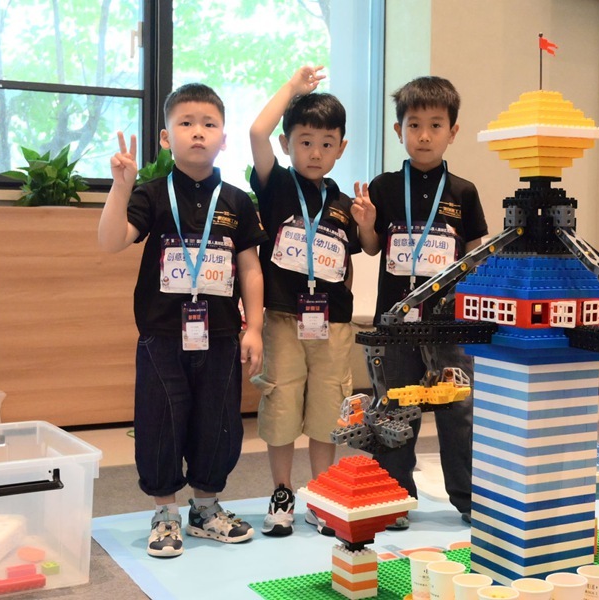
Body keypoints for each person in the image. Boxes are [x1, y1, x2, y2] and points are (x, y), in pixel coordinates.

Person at [98, 83, 266, 557]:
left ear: (223, 139)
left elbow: (250, 269)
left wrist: (254, 328)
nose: (198, 132)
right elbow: (110, 241)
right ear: (166, 137)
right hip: (162, 334)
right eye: (186, 123)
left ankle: (206, 509)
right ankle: (165, 513)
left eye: (209, 124)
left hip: (222, 334)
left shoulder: (237, 200)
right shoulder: (152, 195)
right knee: (161, 421)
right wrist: (121, 186)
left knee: (219, 422)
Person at [354, 76, 488, 529]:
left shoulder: (464, 192)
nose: (424, 135)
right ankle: (394, 496)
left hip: (449, 325)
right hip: (395, 324)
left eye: (435, 125)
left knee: (458, 409)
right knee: (395, 407)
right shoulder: (385, 187)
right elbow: (372, 247)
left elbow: (474, 254)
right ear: (399, 131)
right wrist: (367, 223)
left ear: (453, 131)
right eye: (414, 125)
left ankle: (468, 497)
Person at [248, 65, 361, 537]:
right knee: (281, 402)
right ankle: (282, 491)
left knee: (326, 409)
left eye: (327, 143)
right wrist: (293, 88)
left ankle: (321, 492)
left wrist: (367, 221)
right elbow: (257, 130)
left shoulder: (344, 203)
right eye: (305, 141)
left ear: (341, 148)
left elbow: (359, 254)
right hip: (282, 317)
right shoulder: (275, 185)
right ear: (286, 143)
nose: (316, 152)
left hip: (333, 324)